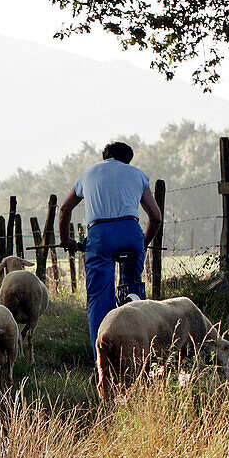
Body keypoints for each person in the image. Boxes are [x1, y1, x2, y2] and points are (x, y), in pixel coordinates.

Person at [58, 141, 163, 356]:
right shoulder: (138, 175)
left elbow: (65, 208)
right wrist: (142, 244)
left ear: (105, 156)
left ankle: (102, 355)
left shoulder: (88, 173)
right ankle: (140, 348)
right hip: (131, 231)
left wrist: (66, 239)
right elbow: (156, 218)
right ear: (128, 159)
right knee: (134, 288)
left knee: (99, 296)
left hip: (100, 234)